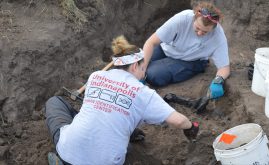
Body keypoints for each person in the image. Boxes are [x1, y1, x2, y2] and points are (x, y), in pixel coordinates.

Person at [45, 35, 199, 165]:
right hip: (107, 161)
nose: (144, 72)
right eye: (142, 68)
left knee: (55, 102)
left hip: (68, 153)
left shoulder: (95, 76)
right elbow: (178, 121)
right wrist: (191, 126)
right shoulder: (143, 93)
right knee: (125, 144)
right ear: (134, 67)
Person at [143, 0, 230, 99]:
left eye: (205, 32)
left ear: (214, 28)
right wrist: (142, 69)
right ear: (194, 18)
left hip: (191, 60)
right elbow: (151, 42)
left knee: (152, 74)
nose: (200, 33)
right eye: (197, 28)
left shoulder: (218, 36)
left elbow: (224, 67)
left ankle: (195, 67)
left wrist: (218, 81)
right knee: (138, 62)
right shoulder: (182, 18)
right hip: (168, 49)